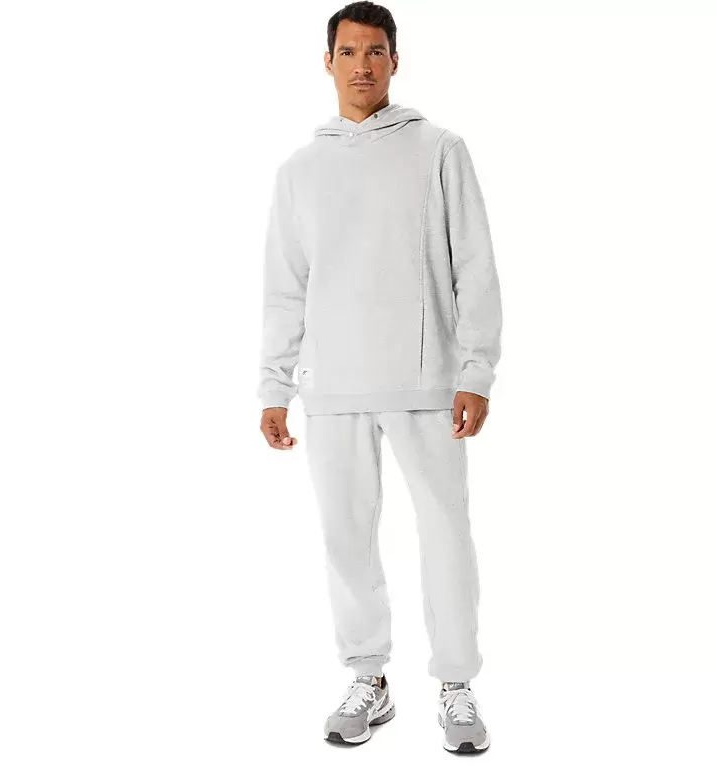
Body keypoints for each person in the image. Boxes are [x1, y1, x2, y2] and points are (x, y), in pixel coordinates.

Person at [257, 1, 502, 754]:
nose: (361, 65)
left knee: (445, 534)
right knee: (345, 537)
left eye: (375, 51)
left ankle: (456, 683)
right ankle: (369, 675)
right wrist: (274, 385)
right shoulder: (299, 171)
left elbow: (474, 266)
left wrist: (477, 370)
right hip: (332, 385)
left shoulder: (440, 150)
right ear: (327, 62)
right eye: (348, 51)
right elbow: (285, 285)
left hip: (426, 381)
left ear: (395, 60)